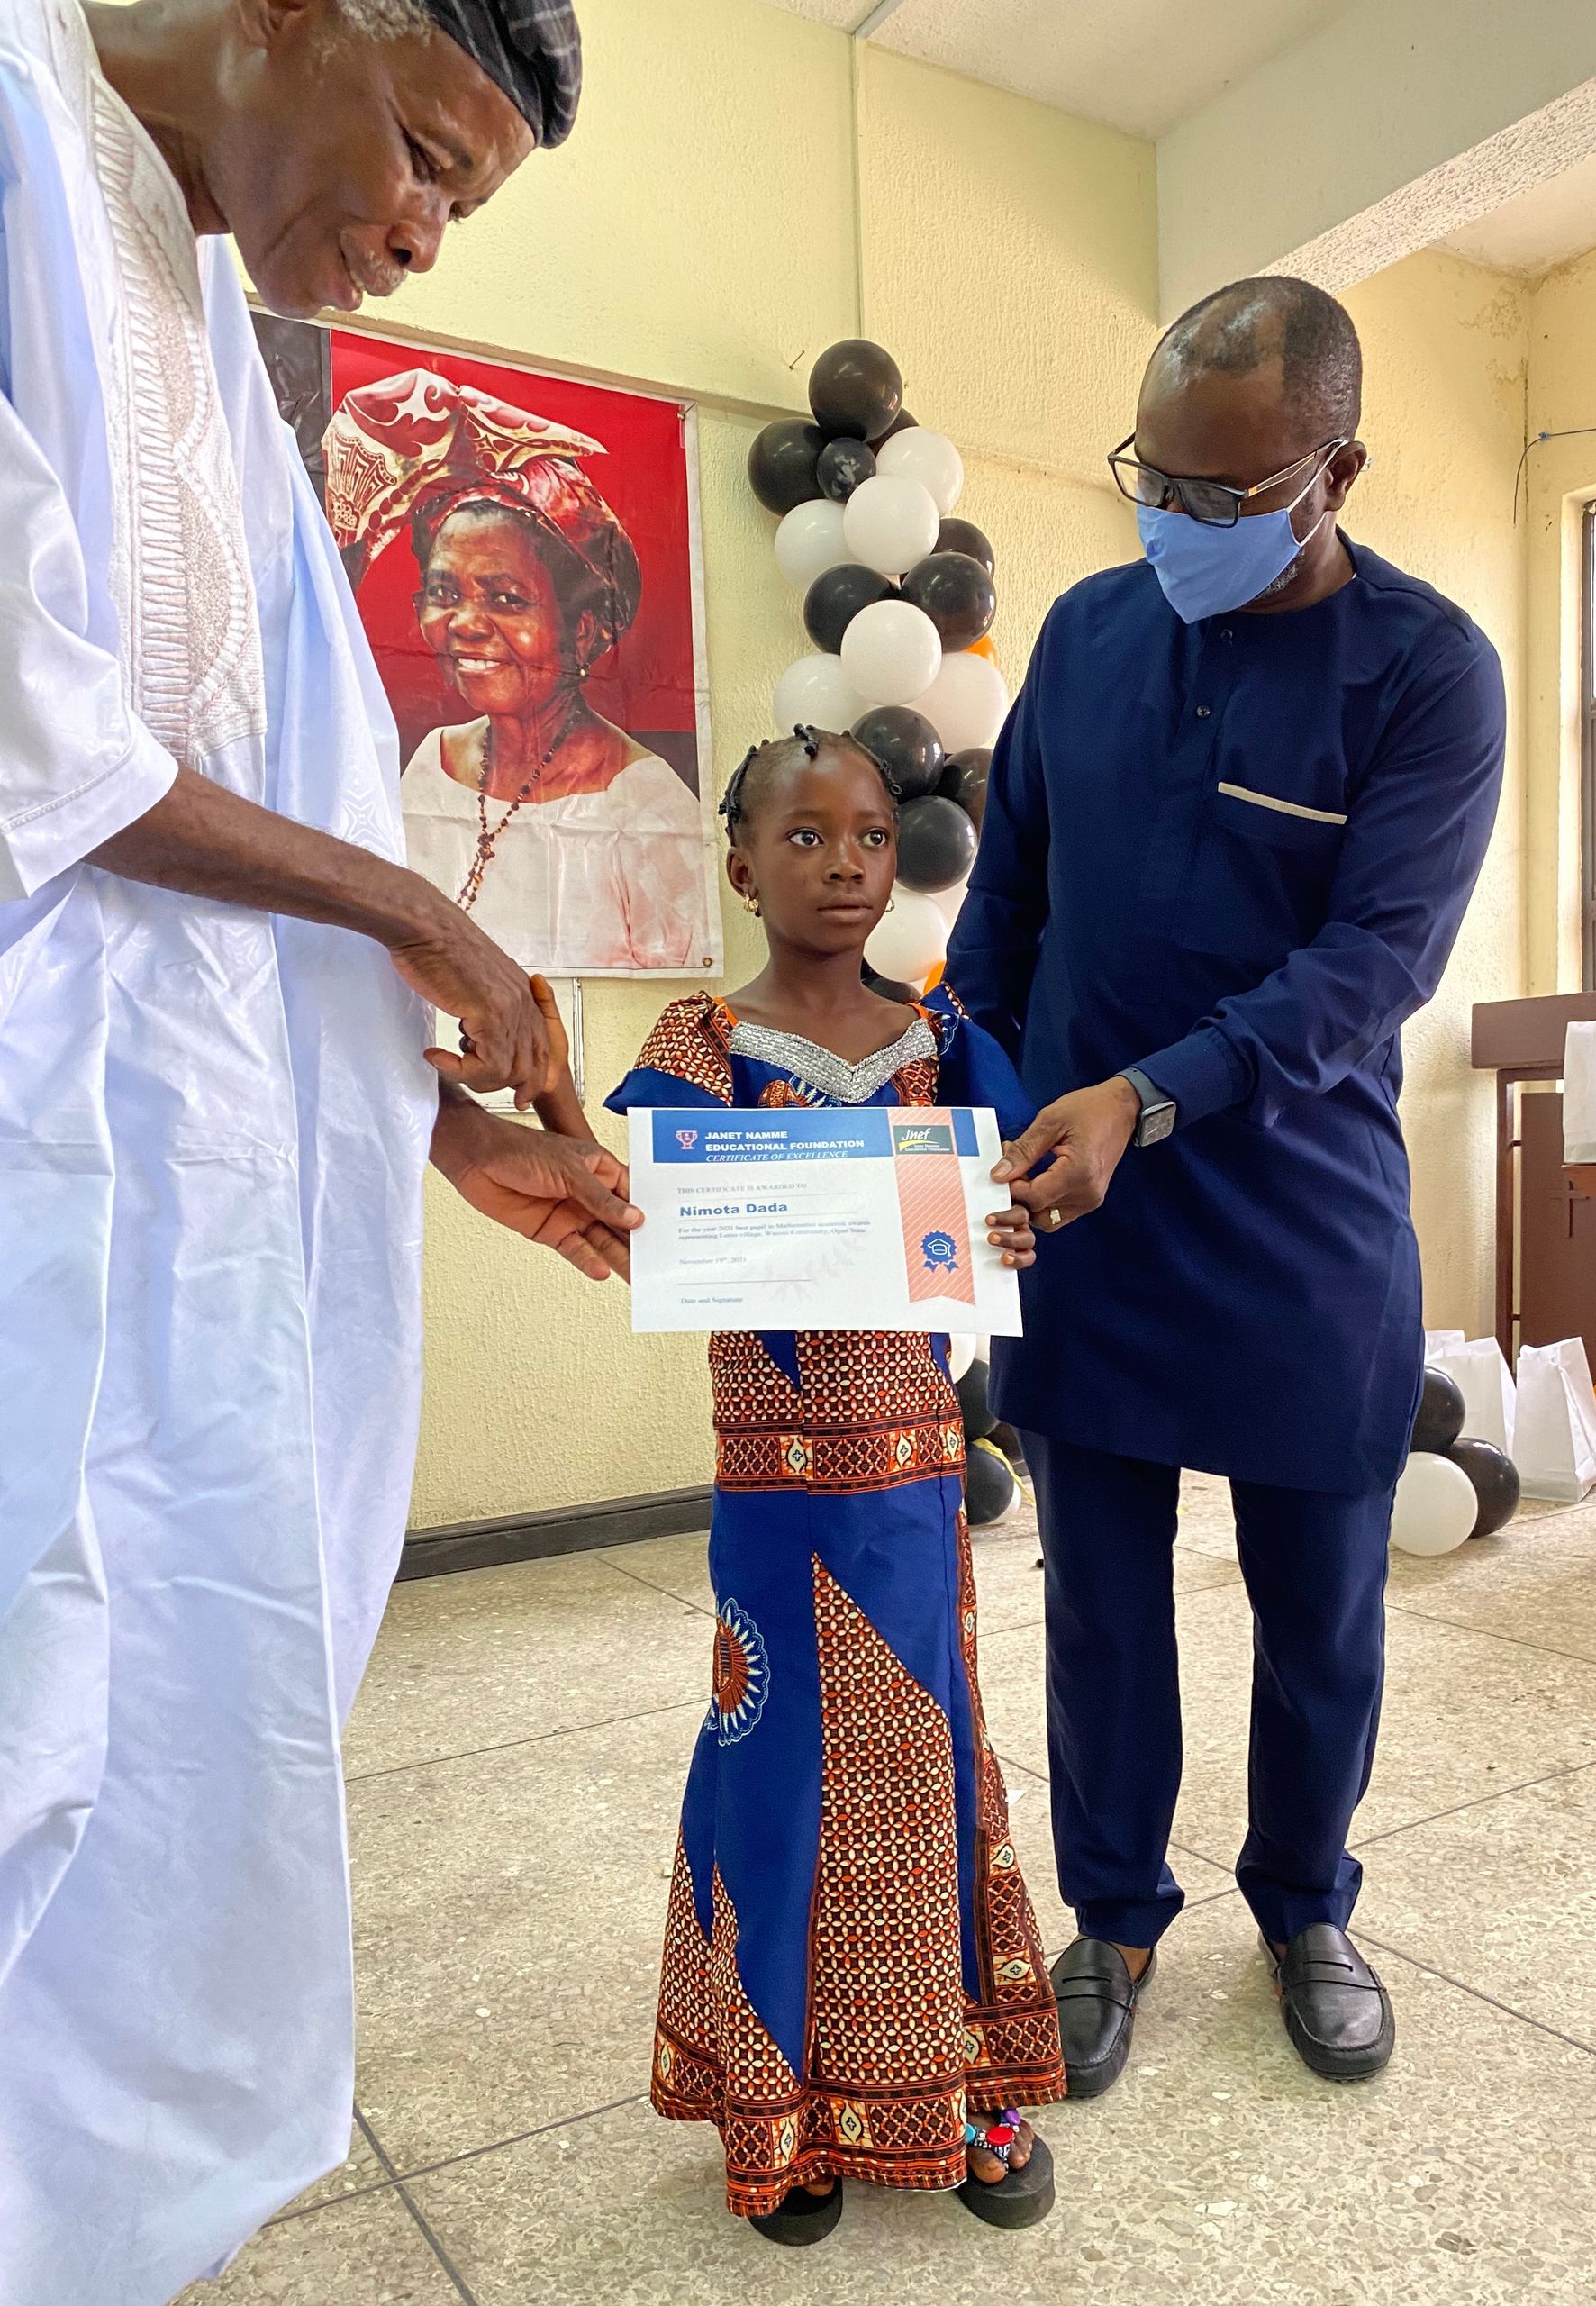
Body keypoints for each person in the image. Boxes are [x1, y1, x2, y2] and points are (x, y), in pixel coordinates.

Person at [0, 4, 638, 2301]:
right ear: (294, 11)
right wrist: (421, 911)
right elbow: (41, 743)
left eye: (459, 206)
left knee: (177, 1705)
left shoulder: (203, 304)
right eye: (422, 155)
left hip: (186, 1206)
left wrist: (440, 1131)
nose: (416, 232)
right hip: (31, 1183)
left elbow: (284, 797)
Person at [947, 278, 1506, 2097]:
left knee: (1320, 1598)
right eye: (1155, 482)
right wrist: (974, 1107)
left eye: (1225, 491)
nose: (1177, 525)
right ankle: (1110, 1911)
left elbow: (1372, 969)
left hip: (1296, 1223)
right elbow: (1003, 908)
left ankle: (1307, 1898)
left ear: (1332, 467)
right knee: (1099, 1590)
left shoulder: (1428, 672)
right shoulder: (1094, 635)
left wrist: (1145, 1095)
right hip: (1081, 1215)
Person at [559, 727, 1066, 2241]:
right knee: (777, 1774)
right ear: (742, 865)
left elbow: (1010, 1193)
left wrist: (1017, 1230)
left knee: (930, 1768)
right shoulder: (693, 1052)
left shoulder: (944, 1042)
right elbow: (636, 1212)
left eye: (865, 834)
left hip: (915, 1483)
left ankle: (957, 2080)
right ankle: (789, 2106)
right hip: (772, 1499)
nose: (843, 860)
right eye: (804, 837)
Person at [324, 369, 712, 970]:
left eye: (506, 598)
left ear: (580, 630)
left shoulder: (643, 809)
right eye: (442, 590)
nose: (465, 623)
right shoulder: (435, 762)